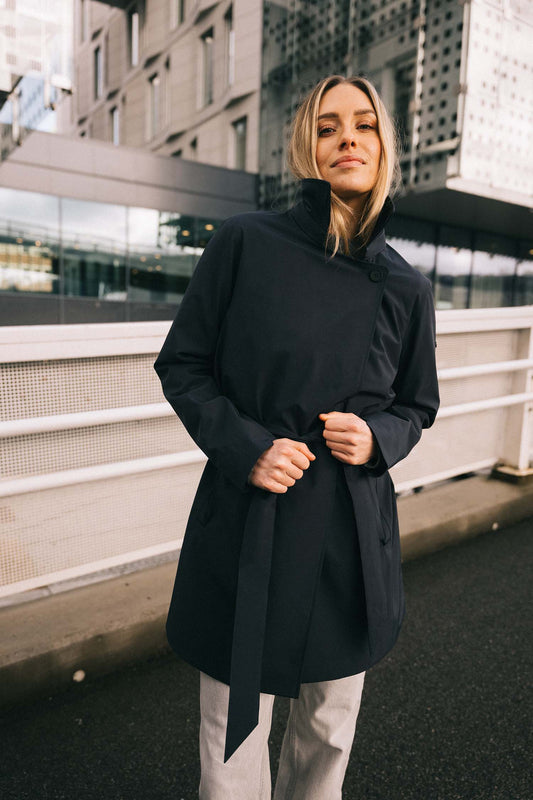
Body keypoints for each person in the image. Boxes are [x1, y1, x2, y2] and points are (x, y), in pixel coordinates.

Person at [154, 73, 440, 799]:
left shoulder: (407, 286)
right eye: (327, 126)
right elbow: (183, 365)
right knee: (233, 734)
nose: (348, 138)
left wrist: (377, 437)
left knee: (328, 727)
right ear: (305, 148)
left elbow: (416, 405)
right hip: (252, 517)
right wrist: (248, 448)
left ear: (384, 146)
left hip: (352, 529)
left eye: (364, 124)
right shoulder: (245, 243)